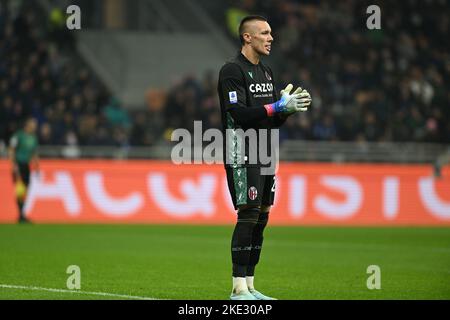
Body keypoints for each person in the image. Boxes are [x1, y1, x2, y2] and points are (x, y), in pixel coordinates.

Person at [217, 15, 312, 300]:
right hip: (242, 150)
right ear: (248, 37)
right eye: (265, 33)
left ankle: (250, 284)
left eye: (271, 33)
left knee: (263, 215)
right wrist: (276, 107)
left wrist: (285, 112)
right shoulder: (232, 71)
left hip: (267, 150)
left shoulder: (267, 72)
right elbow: (240, 115)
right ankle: (237, 288)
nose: (271, 38)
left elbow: (269, 119)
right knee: (248, 212)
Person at [9, 118, 40, 223]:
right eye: (33, 124)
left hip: (26, 165)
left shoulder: (33, 138)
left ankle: (22, 214)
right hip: (18, 164)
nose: (35, 126)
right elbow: (12, 149)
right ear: (27, 124)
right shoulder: (18, 136)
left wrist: (37, 166)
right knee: (20, 189)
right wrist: (13, 164)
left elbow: (34, 153)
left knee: (26, 189)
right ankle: (21, 214)